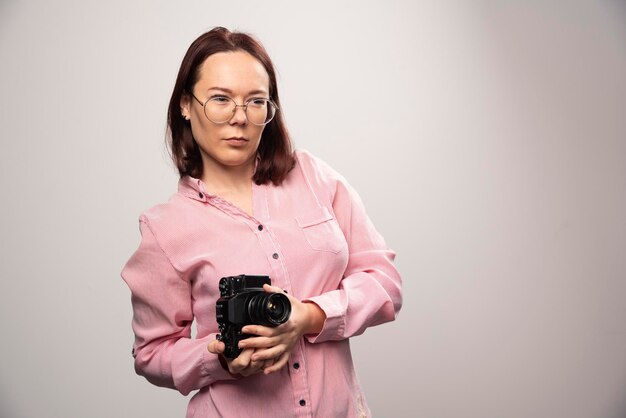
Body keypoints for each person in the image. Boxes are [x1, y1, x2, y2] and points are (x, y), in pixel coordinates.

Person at [121, 26, 402, 418]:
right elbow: (151, 353)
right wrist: (220, 358)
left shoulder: (312, 176)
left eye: (256, 101)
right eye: (221, 99)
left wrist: (311, 315)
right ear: (186, 104)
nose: (240, 118)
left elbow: (384, 280)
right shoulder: (165, 228)